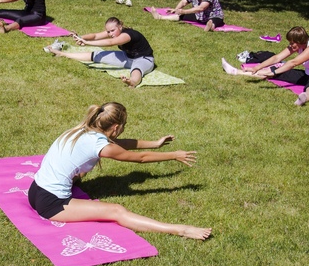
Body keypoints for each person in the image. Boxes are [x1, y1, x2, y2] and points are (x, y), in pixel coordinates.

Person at [29, 102, 212, 241]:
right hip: (52, 204)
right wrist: (174, 155)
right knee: (116, 211)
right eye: (124, 125)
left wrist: (155, 143)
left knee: (79, 173)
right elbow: (141, 158)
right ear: (116, 127)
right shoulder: (100, 145)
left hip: (35, 190)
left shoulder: (83, 130)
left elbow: (119, 144)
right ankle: (181, 230)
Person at [221, 26, 309, 106]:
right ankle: (235, 71)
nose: (290, 45)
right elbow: (277, 58)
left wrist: (274, 72)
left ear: (300, 41)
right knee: (271, 71)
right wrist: (257, 67)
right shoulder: (300, 44)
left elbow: (294, 62)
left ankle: (304, 98)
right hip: (307, 74)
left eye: (292, 43)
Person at [45, 17, 155, 88]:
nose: (111, 34)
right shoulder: (113, 32)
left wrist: (87, 43)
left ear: (120, 27)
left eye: (113, 30)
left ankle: (132, 82)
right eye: (108, 31)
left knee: (136, 69)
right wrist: (81, 37)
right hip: (127, 57)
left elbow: (111, 42)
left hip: (144, 59)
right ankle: (62, 54)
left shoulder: (127, 35)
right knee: (97, 55)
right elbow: (95, 36)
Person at [148, 0, 225, 32]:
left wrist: (184, 11)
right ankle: (160, 17)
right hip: (200, 16)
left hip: (214, 16)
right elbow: (183, 2)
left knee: (214, 21)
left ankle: (210, 26)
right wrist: (176, 9)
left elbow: (201, 8)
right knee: (180, 16)